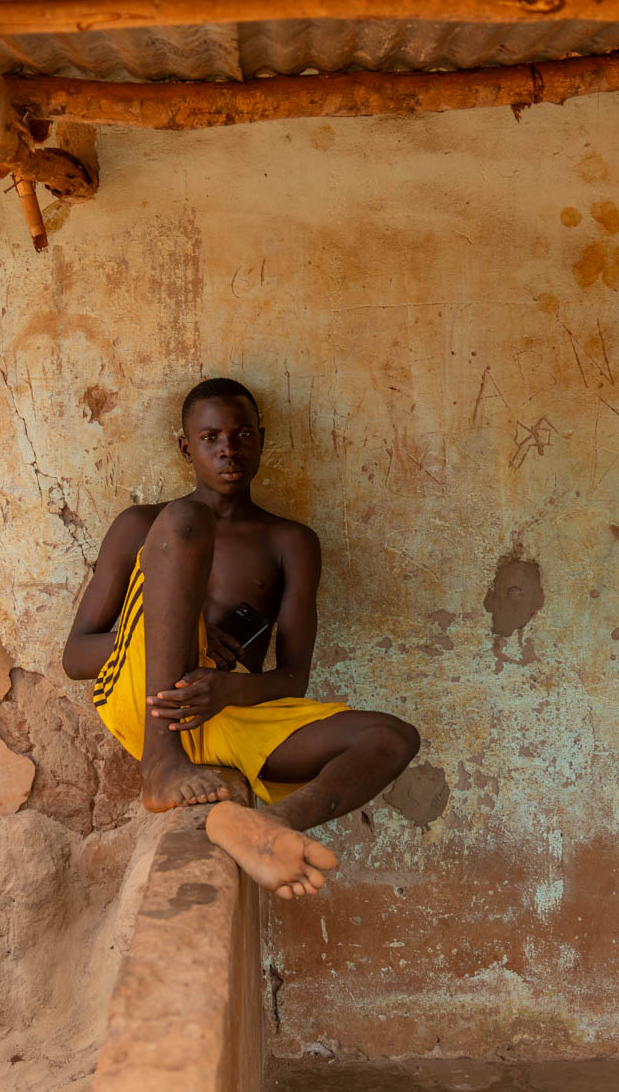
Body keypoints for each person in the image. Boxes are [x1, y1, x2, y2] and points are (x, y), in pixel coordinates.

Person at [63, 377, 419, 899]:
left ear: (260, 440)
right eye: (210, 438)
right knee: (187, 520)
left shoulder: (290, 542)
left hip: (225, 708)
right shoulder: (145, 525)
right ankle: (161, 765)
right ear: (187, 448)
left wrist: (225, 689)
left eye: (242, 434)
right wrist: (178, 628)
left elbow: (293, 677)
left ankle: (272, 825)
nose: (228, 448)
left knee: (393, 737)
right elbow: (75, 656)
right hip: (146, 704)